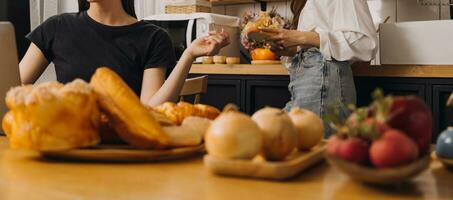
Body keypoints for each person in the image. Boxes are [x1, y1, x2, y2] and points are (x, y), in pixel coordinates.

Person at [19, 0, 229, 107]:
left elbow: (150, 111)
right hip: (70, 144)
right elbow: (11, 86)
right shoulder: (56, 27)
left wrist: (189, 55)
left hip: (124, 151)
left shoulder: (153, 38)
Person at [261, 0, 378, 136]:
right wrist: (291, 49)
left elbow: (366, 43)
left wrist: (301, 37)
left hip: (323, 78)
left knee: (301, 148)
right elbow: (314, 43)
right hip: (307, 79)